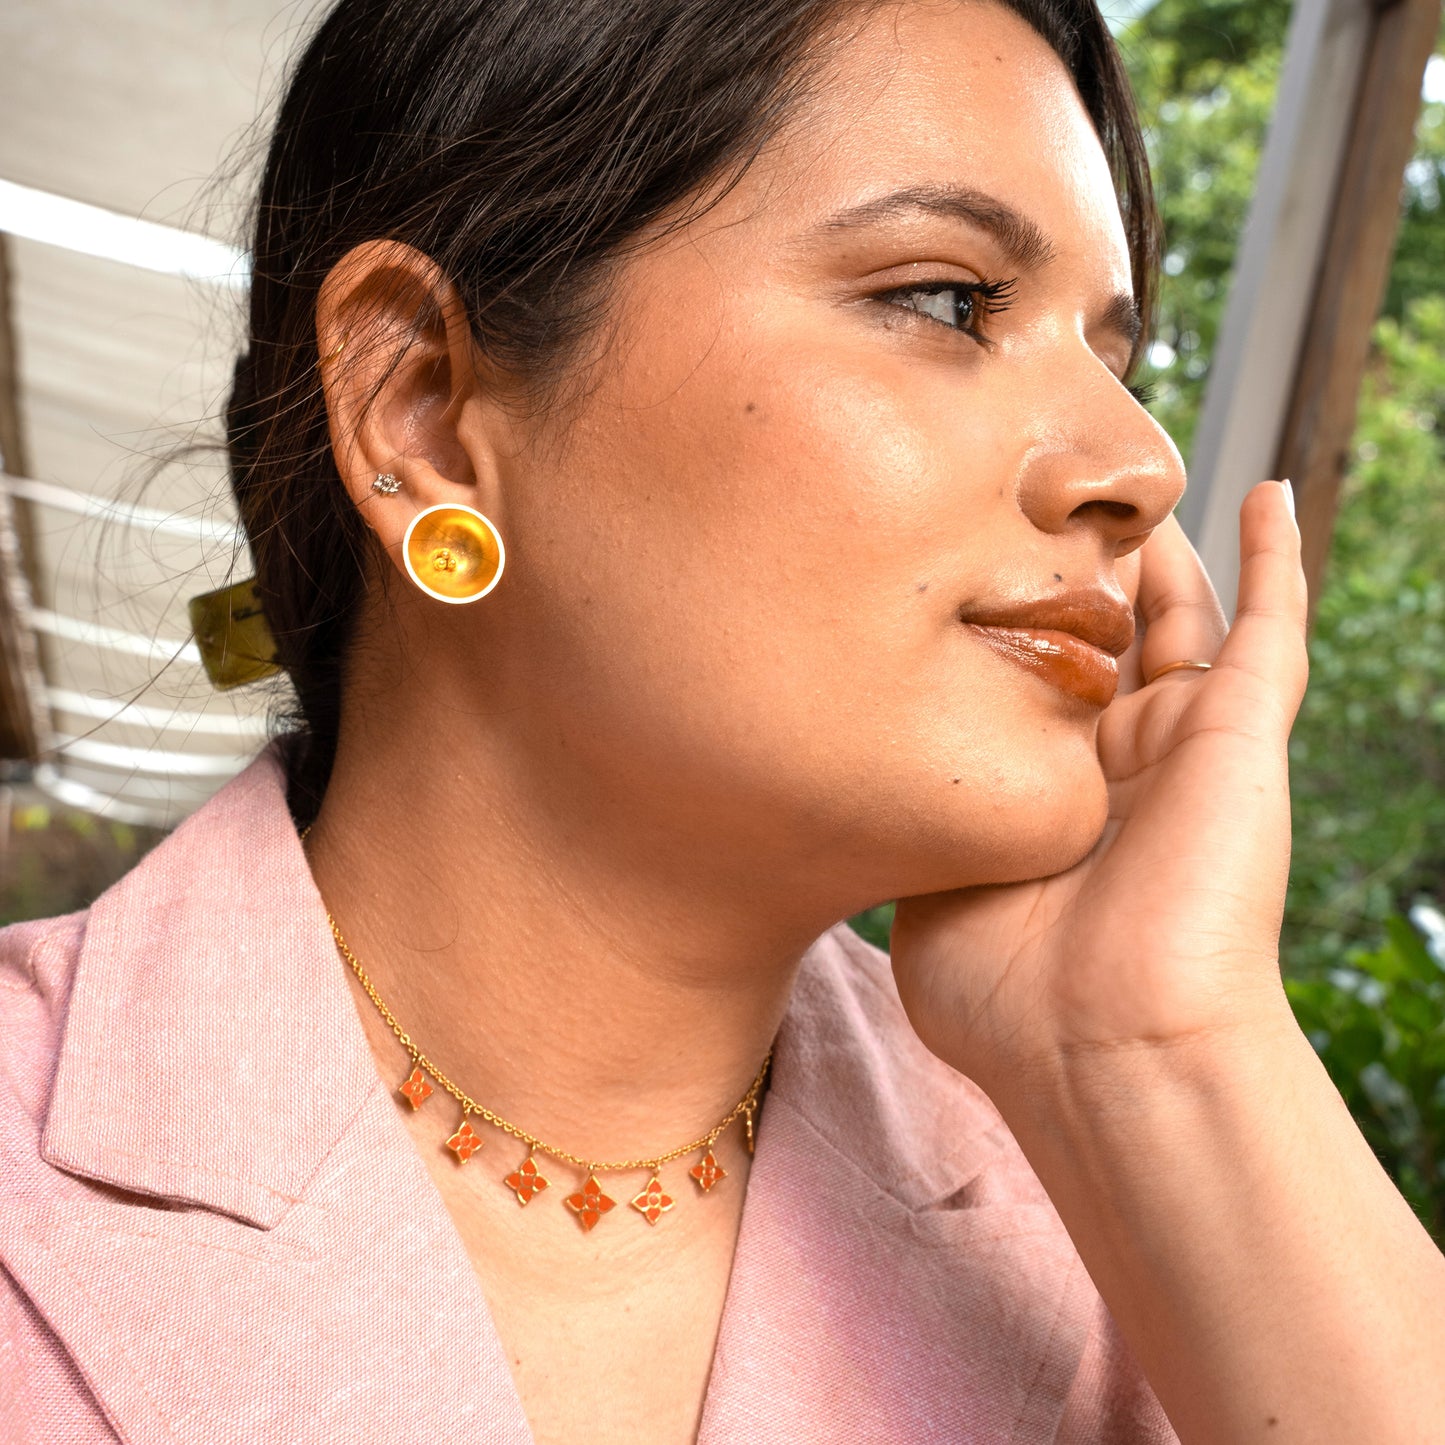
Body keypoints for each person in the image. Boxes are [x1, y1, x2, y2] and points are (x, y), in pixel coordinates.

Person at [3, 0, 1443, 1440]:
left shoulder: (1160, 1234)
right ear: (424, 407)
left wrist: (1161, 1048)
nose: (1141, 460)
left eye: (1113, 356)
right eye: (947, 300)